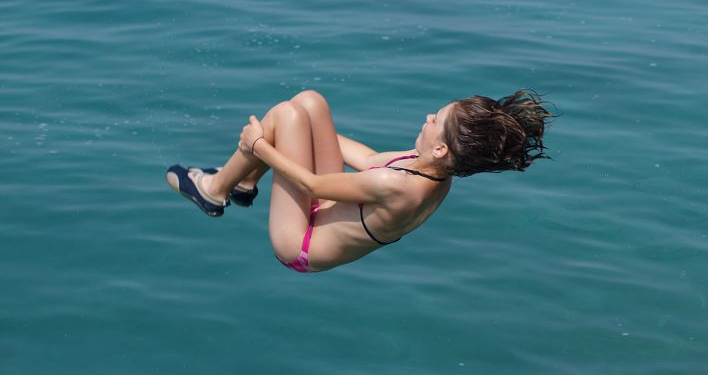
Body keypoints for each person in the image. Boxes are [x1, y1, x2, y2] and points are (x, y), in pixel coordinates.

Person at [167, 89, 552, 273]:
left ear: (440, 149)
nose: (428, 118)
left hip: (299, 242)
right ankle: (243, 185)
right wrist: (296, 135)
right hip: (325, 208)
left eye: (435, 120)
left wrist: (259, 146)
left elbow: (313, 185)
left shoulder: (396, 186)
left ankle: (215, 191)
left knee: (285, 115)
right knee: (310, 103)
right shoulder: (434, 168)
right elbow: (365, 159)